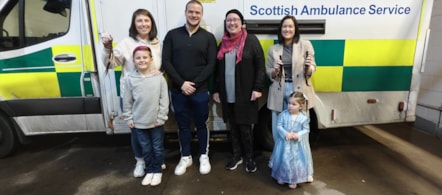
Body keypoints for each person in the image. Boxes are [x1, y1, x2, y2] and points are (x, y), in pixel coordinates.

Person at [102, 9, 164, 178]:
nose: (143, 24)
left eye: (146, 20)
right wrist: (107, 49)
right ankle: (140, 161)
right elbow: (112, 63)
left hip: (152, 94)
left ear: (151, 23)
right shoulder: (126, 43)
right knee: (137, 131)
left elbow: (161, 64)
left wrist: (161, 73)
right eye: (139, 21)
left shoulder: (157, 42)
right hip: (132, 96)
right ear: (134, 24)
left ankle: (156, 160)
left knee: (156, 130)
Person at [161, 0, 217, 176]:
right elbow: (166, 62)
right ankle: (185, 157)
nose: (194, 15)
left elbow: (211, 64)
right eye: (191, 11)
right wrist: (182, 83)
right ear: (185, 13)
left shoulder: (208, 38)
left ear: (201, 15)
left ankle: (203, 156)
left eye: (197, 12)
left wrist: (195, 84)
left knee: (202, 124)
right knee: (183, 126)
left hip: (200, 91)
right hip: (178, 91)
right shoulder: (172, 35)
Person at [213, 9, 265, 173]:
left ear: (241, 23)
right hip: (227, 94)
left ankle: (249, 157)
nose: (232, 23)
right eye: (229, 20)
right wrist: (216, 90)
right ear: (225, 23)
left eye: (235, 20)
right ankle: (237, 156)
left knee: (245, 128)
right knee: (233, 127)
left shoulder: (251, 40)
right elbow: (217, 71)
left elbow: (260, 65)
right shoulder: (223, 43)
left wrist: (257, 87)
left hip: (245, 94)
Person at [266, 15, 316, 176]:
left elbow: (312, 69)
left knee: (301, 131)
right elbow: (269, 74)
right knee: (278, 131)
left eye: (290, 26)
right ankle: (278, 163)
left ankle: (304, 170)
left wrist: (309, 68)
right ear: (280, 30)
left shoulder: (306, 45)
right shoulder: (273, 49)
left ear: (295, 29)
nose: (287, 29)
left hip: (299, 92)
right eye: (284, 27)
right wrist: (274, 69)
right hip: (279, 92)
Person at [122, 45, 169, 186]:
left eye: (145, 57)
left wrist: (161, 117)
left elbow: (164, 100)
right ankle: (149, 171)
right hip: (139, 123)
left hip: (156, 122)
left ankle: (157, 171)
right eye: (138, 58)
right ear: (133, 61)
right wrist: (129, 118)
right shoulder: (130, 79)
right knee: (146, 148)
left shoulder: (159, 78)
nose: (142, 60)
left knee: (157, 147)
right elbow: (127, 101)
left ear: (151, 59)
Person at [271, 92, 313, 189]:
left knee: (296, 162)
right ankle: (282, 176)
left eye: (294, 104)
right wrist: (285, 133)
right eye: (289, 103)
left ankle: (294, 179)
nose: (290, 106)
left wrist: (298, 135)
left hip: (296, 146)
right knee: (283, 159)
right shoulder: (283, 115)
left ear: (301, 106)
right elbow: (279, 126)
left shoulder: (304, 118)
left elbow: (306, 129)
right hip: (284, 143)